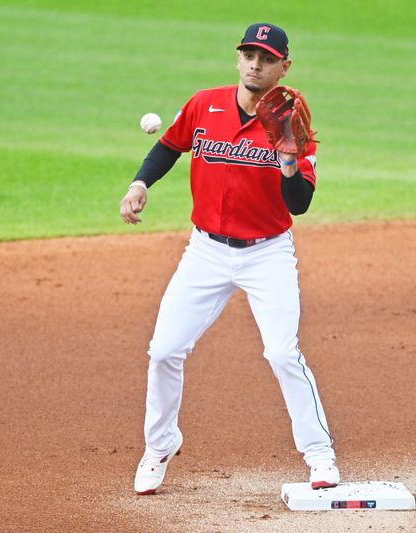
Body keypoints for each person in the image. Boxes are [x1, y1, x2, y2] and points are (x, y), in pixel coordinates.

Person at [120, 22, 339, 495]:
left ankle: (319, 454)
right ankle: (159, 446)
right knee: (163, 351)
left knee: (282, 353)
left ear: (284, 66)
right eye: (248, 55)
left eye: (266, 58)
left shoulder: (290, 114)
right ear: (238, 59)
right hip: (205, 252)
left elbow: (299, 203)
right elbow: (168, 146)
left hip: (268, 253)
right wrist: (140, 184)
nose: (255, 65)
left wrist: (285, 157)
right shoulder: (205, 103)